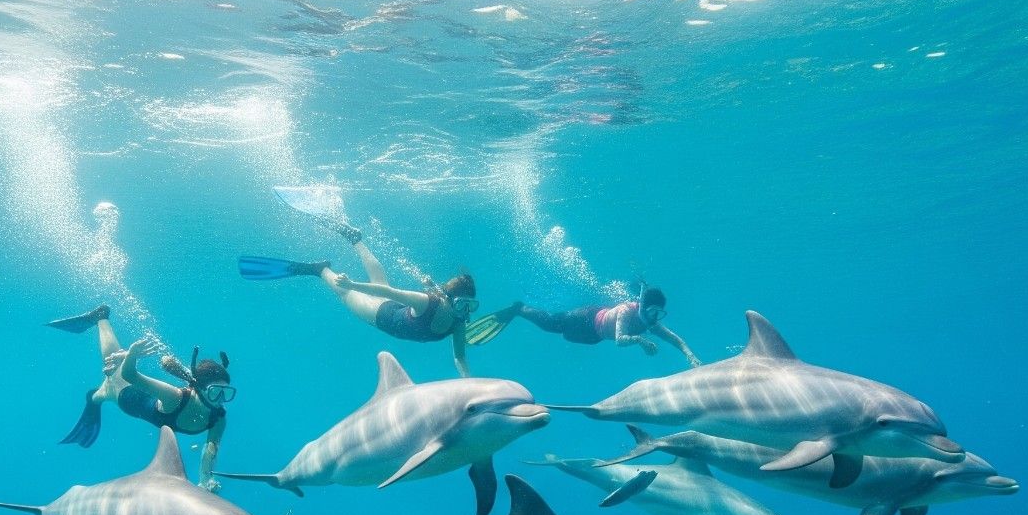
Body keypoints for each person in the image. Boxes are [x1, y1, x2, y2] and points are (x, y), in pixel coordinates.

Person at [239, 209, 477, 378]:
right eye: (461, 304)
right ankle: (320, 269)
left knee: (379, 278)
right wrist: (351, 285)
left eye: (470, 306)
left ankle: (354, 239)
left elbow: (460, 357)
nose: (465, 311)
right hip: (381, 314)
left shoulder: (458, 323)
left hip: (394, 311)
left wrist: (467, 379)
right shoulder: (427, 302)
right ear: (447, 298)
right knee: (345, 294)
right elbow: (389, 291)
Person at [45, 304, 233, 490]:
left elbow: (211, 449)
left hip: (136, 395)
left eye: (226, 393)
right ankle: (101, 317)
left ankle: (97, 392)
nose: (220, 399)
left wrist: (205, 480)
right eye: (216, 391)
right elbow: (131, 376)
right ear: (200, 389)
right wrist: (132, 355)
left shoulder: (218, 418)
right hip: (124, 393)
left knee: (103, 385)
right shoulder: (174, 397)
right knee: (113, 370)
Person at [466, 285, 702, 365]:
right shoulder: (625, 312)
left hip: (594, 337)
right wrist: (640, 341)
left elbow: (675, 339)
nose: (654, 318)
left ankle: (521, 310)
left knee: (563, 336)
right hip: (585, 319)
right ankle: (520, 309)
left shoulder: (649, 323)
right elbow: (620, 340)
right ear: (642, 306)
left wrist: (690, 356)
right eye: (652, 312)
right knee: (552, 324)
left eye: (659, 314)